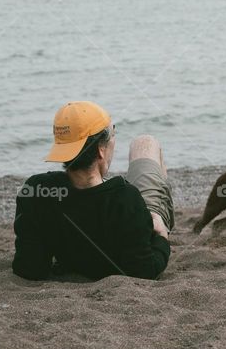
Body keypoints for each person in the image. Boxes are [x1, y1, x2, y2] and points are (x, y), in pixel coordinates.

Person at [12, 101, 175, 280]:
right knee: (145, 142)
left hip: (101, 212)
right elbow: (144, 271)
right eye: (113, 133)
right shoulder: (126, 199)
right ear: (100, 150)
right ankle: (162, 210)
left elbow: (28, 267)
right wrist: (161, 236)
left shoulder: (36, 190)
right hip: (140, 214)